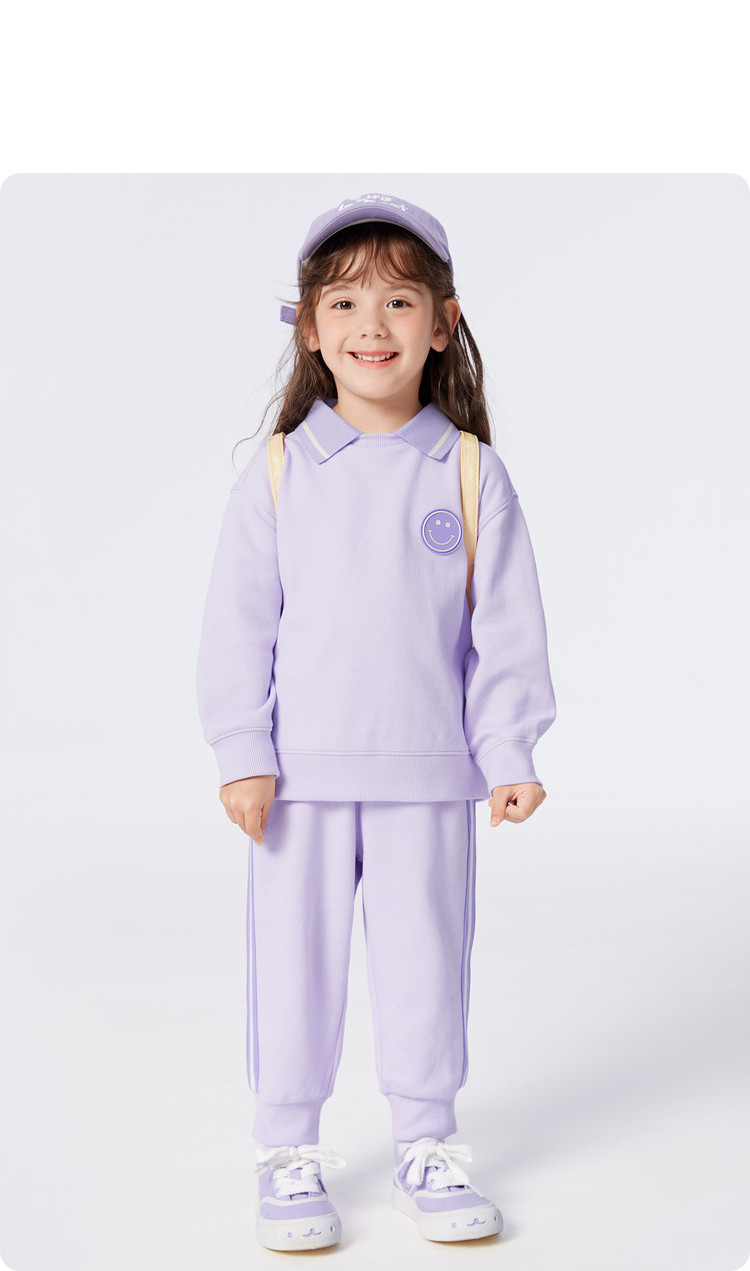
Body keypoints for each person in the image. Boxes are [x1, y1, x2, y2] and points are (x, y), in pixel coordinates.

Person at [195, 191, 557, 1251]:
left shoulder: (468, 468)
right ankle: (287, 1149)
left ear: (442, 322)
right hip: (298, 782)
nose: (372, 324)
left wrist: (509, 749)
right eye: (346, 302)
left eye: (399, 300)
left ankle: (426, 1144)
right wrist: (243, 752)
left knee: (424, 965)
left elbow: (505, 629)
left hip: (429, 777)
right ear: (309, 328)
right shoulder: (279, 470)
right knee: (294, 966)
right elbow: (238, 626)